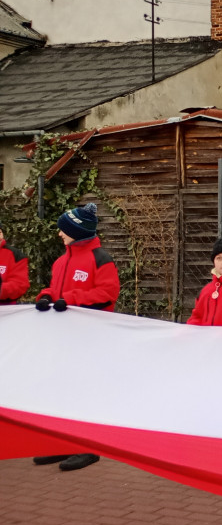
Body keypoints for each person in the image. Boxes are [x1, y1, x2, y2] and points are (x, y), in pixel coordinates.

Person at [33, 202, 120, 472]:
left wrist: (68, 299)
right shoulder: (61, 261)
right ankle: (62, 443)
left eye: (63, 229)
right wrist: (46, 295)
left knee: (85, 389)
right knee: (60, 387)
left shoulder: (101, 259)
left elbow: (107, 294)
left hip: (89, 337)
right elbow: (55, 288)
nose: (60, 234)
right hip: (62, 336)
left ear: (77, 231)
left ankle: (89, 446)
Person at [0, 218, 30, 305]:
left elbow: (20, 285)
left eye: (0, 232)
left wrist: (1, 289)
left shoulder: (15, 255)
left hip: (5, 310)